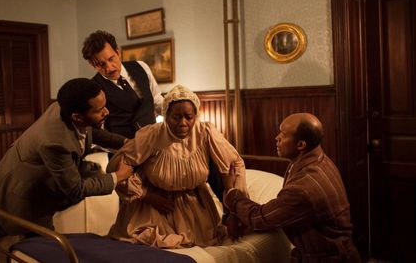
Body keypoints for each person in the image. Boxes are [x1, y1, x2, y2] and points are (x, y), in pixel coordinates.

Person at [106, 85, 248, 248]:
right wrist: (146, 195)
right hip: (155, 209)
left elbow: (232, 165)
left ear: (196, 116)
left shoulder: (206, 133)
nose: (183, 123)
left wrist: (235, 208)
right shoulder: (152, 134)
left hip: (197, 212)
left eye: (188, 117)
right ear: (166, 116)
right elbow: (118, 167)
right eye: (176, 117)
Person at [0, 78, 133, 235]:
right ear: (77, 116)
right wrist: (118, 176)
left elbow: (91, 130)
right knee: (40, 247)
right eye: (99, 110)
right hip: (20, 195)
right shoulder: (54, 142)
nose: (107, 112)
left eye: (105, 105)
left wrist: (127, 142)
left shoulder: (66, 106)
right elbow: (75, 190)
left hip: (36, 181)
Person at [223, 113, 361, 262]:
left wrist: (232, 194)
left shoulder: (304, 187)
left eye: (283, 135)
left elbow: (260, 218)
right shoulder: (316, 159)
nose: (277, 138)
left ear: (301, 145)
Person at [82, 30, 163, 139]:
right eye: (101, 64)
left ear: (117, 52)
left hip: (155, 140)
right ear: (92, 65)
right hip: (122, 151)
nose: (109, 68)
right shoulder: (93, 88)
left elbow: (157, 100)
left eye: (111, 59)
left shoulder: (141, 66)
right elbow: (98, 131)